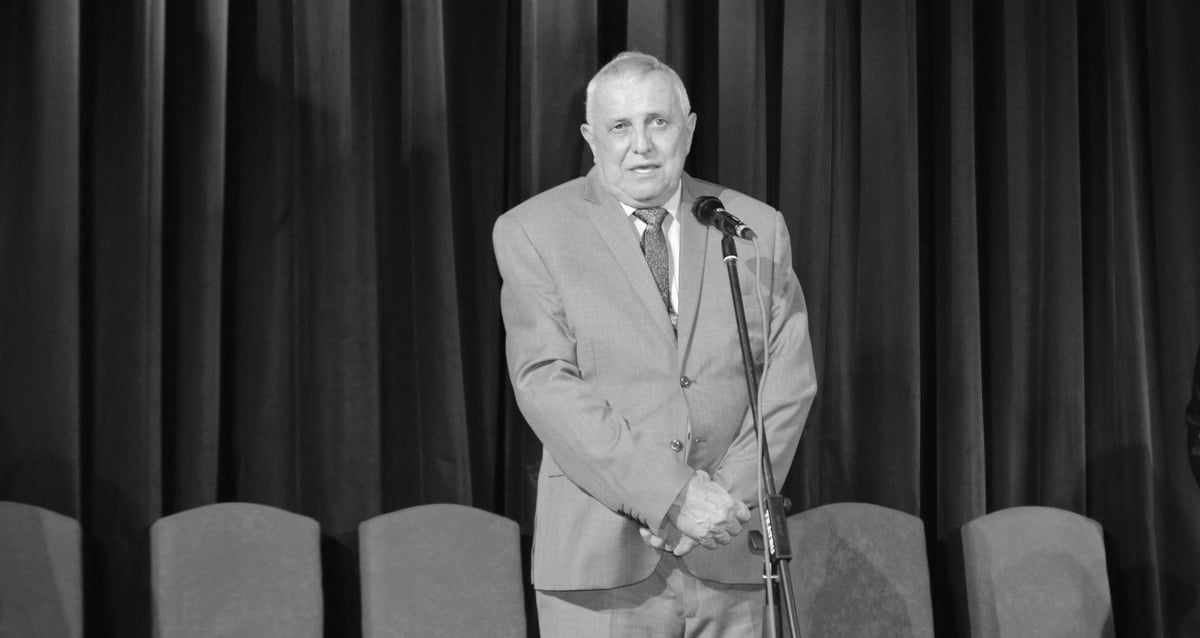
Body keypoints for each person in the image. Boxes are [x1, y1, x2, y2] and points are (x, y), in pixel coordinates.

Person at [493, 51, 818, 637]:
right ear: (591, 138)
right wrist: (672, 497)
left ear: (688, 130)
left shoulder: (752, 227)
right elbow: (545, 384)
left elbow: (786, 384)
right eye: (620, 126)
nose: (640, 145)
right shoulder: (532, 230)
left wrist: (720, 503)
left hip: (729, 554)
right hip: (601, 565)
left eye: (658, 122)